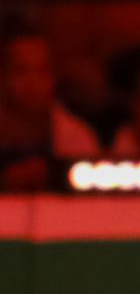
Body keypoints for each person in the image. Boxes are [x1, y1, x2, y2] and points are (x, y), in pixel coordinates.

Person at [0, 31, 101, 191]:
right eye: (20, 71)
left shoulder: (78, 138)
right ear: (3, 76)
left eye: (41, 71)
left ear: (54, 77)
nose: (31, 83)